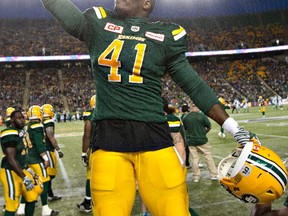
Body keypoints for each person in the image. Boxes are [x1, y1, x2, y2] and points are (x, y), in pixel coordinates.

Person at [42, 0, 259, 215]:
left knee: (174, 211)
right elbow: (58, 6)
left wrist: (234, 128)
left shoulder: (165, 36)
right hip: (109, 141)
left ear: (147, 3)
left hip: (155, 139)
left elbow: (193, 85)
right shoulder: (98, 23)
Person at [17, 105, 59, 216]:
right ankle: (45, 209)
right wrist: (45, 158)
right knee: (44, 181)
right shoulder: (37, 126)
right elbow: (40, 145)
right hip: (36, 159)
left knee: (30, 182)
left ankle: (22, 207)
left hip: (27, 159)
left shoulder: (27, 126)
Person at [0, 110, 38, 216]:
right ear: (12, 120)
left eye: (23, 117)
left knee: (32, 196)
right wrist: (24, 178)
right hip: (9, 171)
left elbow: (21, 155)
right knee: (12, 203)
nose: (22, 120)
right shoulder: (9, 132)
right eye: (19, 118)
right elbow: (11, 158)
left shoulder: (20, 132)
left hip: (21, 169)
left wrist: (27, 168)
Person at [182, 103, 218, 182]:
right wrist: (204, 133)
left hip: (191, 141)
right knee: (208, 157)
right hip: (202, 140)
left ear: (190, 107)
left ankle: (196, 177)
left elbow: (185, 129)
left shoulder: (186, 117)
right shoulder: (202, 116)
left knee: (194, 159)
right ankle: (213, 175)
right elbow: (209, 127)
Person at [77, 95, 96, 213]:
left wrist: (84, 153)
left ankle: (88, 202)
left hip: (96, 149)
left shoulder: (90, 114)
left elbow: (87, 135)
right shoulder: (111, 111)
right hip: (112, 149)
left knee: (90, 177)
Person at [41, 104, 64, 202]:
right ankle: (46, 195)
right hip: (47, 150)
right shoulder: (48, 122)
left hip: (42, 149)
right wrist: (58, 149)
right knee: (49, 174)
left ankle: (49, 194)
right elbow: (50, 136)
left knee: (47, 174)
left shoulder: (41, 121)